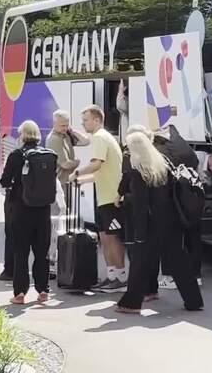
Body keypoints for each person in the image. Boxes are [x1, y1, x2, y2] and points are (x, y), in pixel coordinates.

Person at [116, 130, 203, 314]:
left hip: (151, 224)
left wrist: (139, 232)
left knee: (139, 264)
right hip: (171, 221)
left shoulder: (139, 171)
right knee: (179, 262)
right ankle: (194, 301)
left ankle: (130, 303)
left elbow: (140, 206)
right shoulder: (163, 164)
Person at [0, 120, 55, 304]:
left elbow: (5, 181)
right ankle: (43, 290)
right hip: (43, 210)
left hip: (21, 209)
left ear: (22, 135)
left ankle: (20, 293)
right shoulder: (48, 155)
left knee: (21, 252)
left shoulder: (17, 155)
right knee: (42, 252)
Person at [75, 105, 126, 292]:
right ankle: (112, 275)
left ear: (97, 120)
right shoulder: (103, 137)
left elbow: (97, 164)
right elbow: (101, 171)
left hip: (111, 197)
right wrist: (82, 179)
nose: (83, 123)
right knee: (105, 238)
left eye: (86, 120)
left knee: (112, 238)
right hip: (105, 196)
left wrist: (78, 172)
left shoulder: (99, 137)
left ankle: (120, 278)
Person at [151, 124, 203, 290]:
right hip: (193, 196)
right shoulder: (184, 147)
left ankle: (171, 277)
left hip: (175, 200)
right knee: (193, 236)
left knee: (172, 239)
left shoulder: (161, 150)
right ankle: (196, 275)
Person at [46, 109, 87, 277]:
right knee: (57, 224)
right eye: (62, 125)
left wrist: (71, 130)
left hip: (66, 184)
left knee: (65, 222)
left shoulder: (65, 136)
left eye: (66, 124)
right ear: (54, 123)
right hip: (58, 187)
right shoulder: (54, 139)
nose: (64, 128)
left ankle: (61, 259)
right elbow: (65, 164)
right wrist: (78, 162)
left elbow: (85, 141)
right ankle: (52, 261)